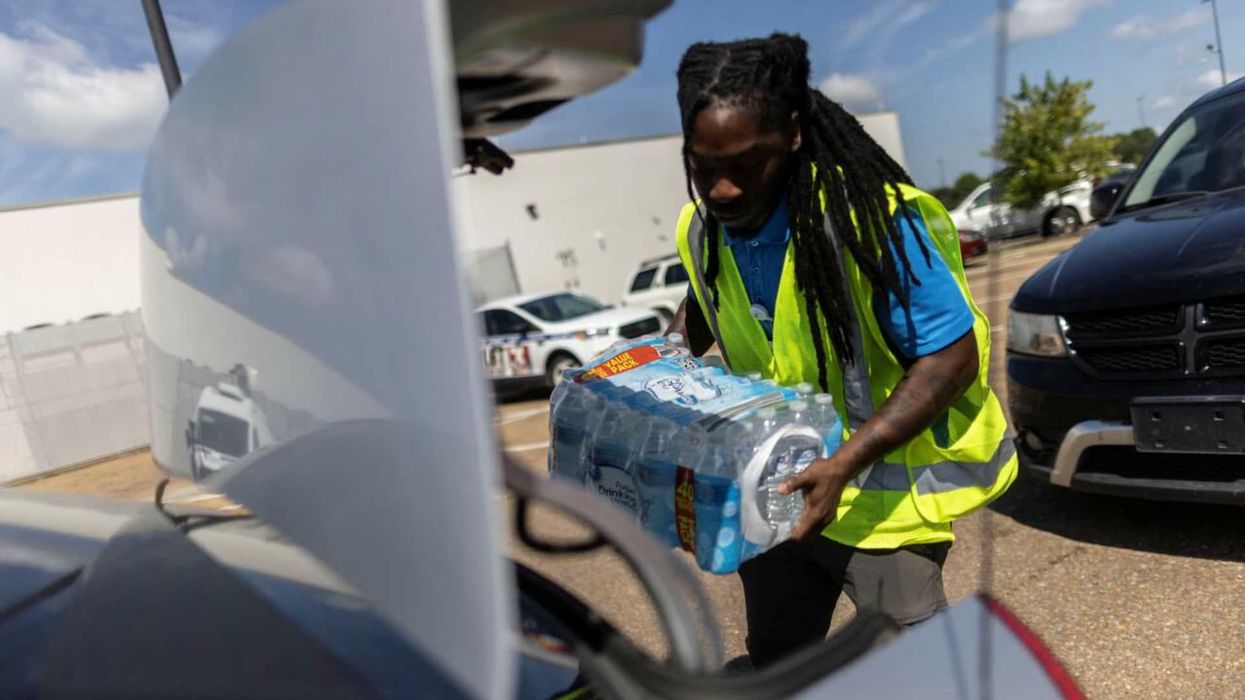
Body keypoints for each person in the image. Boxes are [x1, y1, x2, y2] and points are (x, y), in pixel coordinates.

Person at [664, 33, 1017, 667]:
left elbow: (951, 357)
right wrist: (660, 360)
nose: (721, 190)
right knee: (779, 662)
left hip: (885, 509)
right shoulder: (704, 228)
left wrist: (846, 463)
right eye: (703, 166)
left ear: (793, 135)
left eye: (746, 164)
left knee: (923, 672)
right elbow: (707, 303)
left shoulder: (871, 221)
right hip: (777, 498)